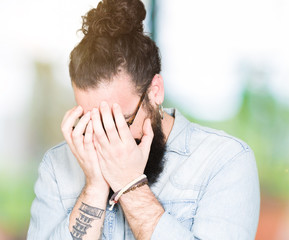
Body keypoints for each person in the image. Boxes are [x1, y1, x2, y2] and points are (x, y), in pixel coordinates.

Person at [27, 0, 260, 239]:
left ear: (155, 92)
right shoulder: (57, 165)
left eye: (121, 122)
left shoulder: (224, 161)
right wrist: (94, 188)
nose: (107, 141)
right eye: (92, 123)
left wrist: (130, 185)